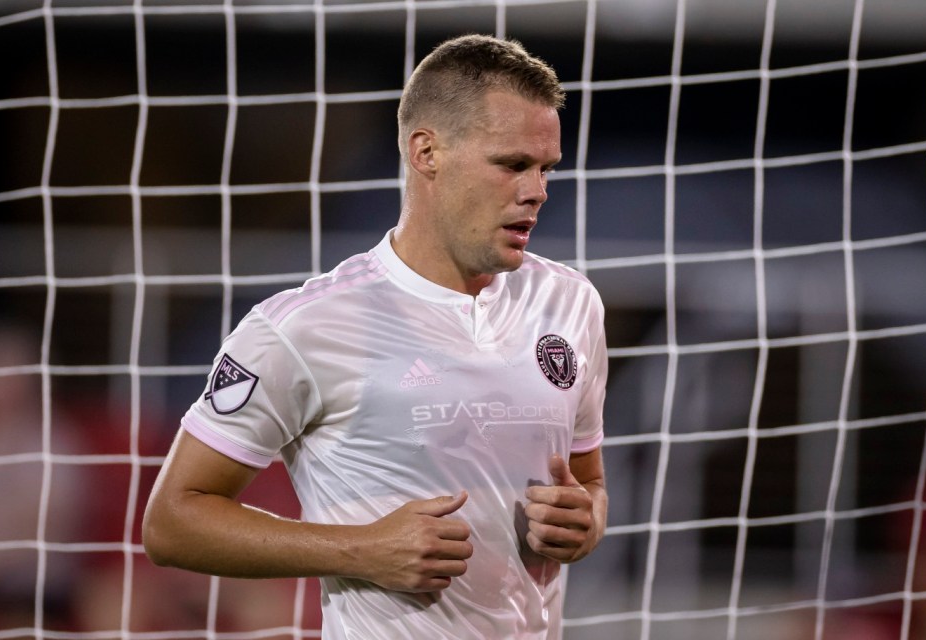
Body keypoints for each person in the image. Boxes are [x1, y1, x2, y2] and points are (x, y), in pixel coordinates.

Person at [143, 34, 608, 639]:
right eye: (512, 164)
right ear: (426, 152)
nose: (537, 190)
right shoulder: (304, 327)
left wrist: (588, 519)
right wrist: (359, 549)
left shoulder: (571, 304)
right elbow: (172, 522)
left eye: (546, 168)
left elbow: (589, 482)